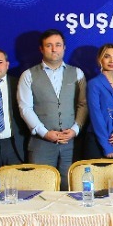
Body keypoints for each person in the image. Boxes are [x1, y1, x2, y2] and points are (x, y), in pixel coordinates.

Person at [17, 29, 87, 186]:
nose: (54, 49)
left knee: (71, 189)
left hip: (71, 144)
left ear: (64, 47)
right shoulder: (28, 75)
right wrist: (44, 133)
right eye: (49, 45)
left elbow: (83, 104)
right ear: (41, 49)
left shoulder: (77, 73)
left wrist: (75, 129)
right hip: (41, 144)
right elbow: (25, 108)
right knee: (41, 189)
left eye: (58, 45)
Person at [87, 43, 113, 158]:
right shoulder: (94, 84)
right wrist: (106, 145)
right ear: (100, 59)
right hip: (98, 140)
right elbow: (96, 115)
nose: (112, 61)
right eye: (107, 56)